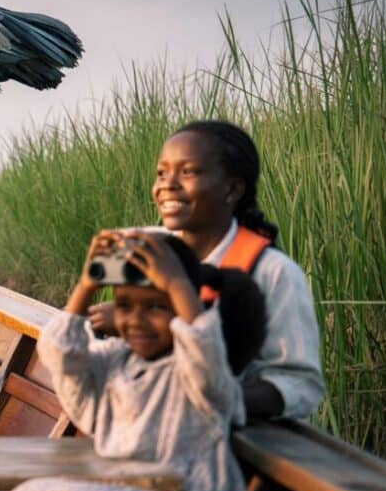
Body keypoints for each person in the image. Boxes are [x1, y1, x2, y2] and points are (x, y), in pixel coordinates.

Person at [0, 230, 266, 491]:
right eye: (124, 306)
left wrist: (178, 283)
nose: (136, 320)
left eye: (155, 307)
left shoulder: (198, 373)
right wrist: (88, 283)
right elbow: (61, 354)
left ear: (183, 308)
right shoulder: (115, 361)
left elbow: (203, 351)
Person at [89, 120, 324, 419]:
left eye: (188, 172)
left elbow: (300, 385)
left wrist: (213, 400)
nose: (167, 185)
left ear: (232, 189)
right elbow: (91, 319)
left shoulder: (274, 273)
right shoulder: (137, 247)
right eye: (162, 173)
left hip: (222, 443)